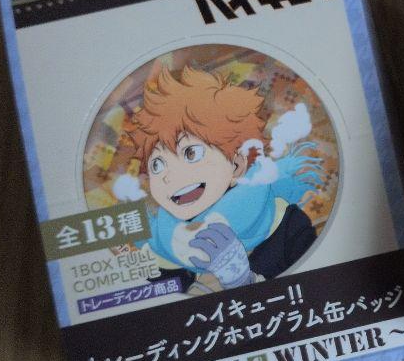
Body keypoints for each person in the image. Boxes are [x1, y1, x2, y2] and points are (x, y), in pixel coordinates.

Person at [122, 66, 323, 294]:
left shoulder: (288, 228)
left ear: (237, 164)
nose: (167, 176)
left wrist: (244, 282)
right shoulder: (160, 246)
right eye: (157, 164)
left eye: (190, 153)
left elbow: (315, 295)